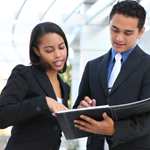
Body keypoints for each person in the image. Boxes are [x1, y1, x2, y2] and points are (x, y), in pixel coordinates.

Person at [73, 1, 150, 150]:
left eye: (127, 33)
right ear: (109, 24)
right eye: (114, 29)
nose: (119, 38)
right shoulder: (92, 66)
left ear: (141, 32)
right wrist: (83, 108)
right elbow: (77, 109)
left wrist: (114, 130)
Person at [0, 22, 70, 150]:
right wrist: (43, 102)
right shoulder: (25, 75)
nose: (58, 55)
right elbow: (2, 115)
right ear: (36, 51)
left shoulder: (64, 87)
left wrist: (82, 111)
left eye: (61, 47)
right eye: (49, 50)